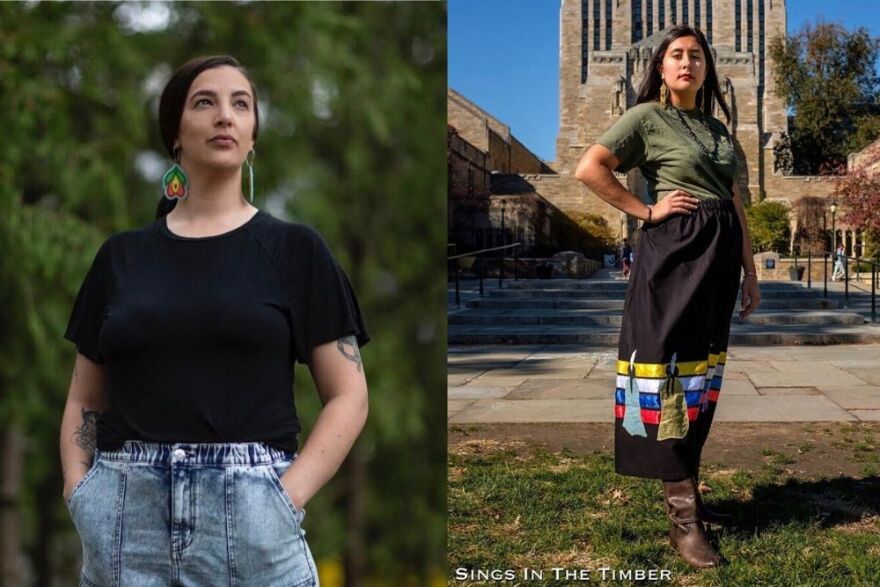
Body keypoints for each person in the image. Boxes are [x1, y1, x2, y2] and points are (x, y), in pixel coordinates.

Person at [59, 55, 369, 586]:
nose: (225, 115)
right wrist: (79, 493)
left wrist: (284, 498)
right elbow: (85, 399)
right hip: (123, 523)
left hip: (253, 524)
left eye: (240, 104)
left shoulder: (295, 250)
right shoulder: (120, 257)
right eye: (205, 102)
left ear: (252, 138)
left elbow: (349, 395)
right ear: (175, 134)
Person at [574, 26, 761, 569]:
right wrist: (647, 210)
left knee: (701, 376)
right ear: (660, 67)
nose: (687, 63)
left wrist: (749, 270)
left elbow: (735, 202)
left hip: (720, 260)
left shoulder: (717, 129)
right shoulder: (647, 119)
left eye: (696, 56)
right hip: (674, 254)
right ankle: (683, 520)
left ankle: (692, 496)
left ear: (706, 68)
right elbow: (590, 168)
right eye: (677, 55)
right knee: (667, 371)